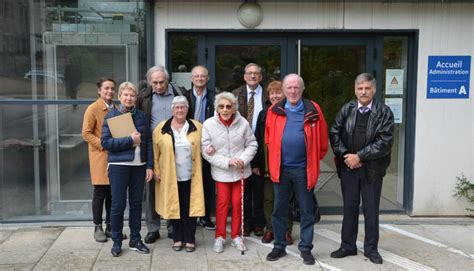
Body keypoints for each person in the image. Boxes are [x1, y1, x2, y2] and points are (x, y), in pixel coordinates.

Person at [329, 73, 394, 265]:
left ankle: (371, 249)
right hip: (349, 167)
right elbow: (334, 133)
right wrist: (346, 156)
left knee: (371, 209)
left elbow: (385, 142)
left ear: (374, 90)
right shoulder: (347, 109)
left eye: (367, 88)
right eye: (360, 88)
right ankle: (347, 245)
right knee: (349, 207)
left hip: (372, 169)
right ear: (355, 90)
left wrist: (360, 156)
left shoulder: (384, 112)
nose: (363, 92)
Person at [265, 74, 328, 265]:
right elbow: (268, 138)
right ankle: (279, 246)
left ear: (302, 89)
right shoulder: (274, 110)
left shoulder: (313, 109)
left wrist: (312, 161)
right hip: (281, 169)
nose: (292, 91)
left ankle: (306, 249)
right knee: (278, 210)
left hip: (303, 170)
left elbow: (323, 141)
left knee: (307, 210)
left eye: (296, 88)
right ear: (283, 90)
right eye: (289, 88)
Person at [101, 82, 154, 257]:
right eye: (125, 95)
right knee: (118, 205)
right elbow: (106, 143)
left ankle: (135, 239)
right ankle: (116, 241)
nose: (129, 98)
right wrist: (130, 140)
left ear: (135, 97)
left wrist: (149, 165)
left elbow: (147, 143)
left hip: (139, 166)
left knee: (137, 204)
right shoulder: (111, 116)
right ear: (119, 97)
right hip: (119, 166)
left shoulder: (141, 116)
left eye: (132, 95)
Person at [201, 92, 258, 253]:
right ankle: (219, 237)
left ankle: (236, 236)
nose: (225, 110)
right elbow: (206, 151)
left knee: (238, 202)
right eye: (221, 106)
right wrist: (227, 162)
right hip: (222, 172)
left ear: (234, 108)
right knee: (222, 204)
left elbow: (252, 144)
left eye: (228, 106)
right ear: (217, 108)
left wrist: (243, 159)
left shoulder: (243, 123)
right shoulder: (209, 124)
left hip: (241, 171)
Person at [136, 65, 187, 244]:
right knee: (151, 188)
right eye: (155, 83)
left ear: (168, 80)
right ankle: (153, 228)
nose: (158, 86)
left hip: (177, 146)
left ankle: (173, 226)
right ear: (150, 82)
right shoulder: (144, 97)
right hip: (152, 146)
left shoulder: (179, 93)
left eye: (162, 82)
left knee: (173, 186)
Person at [153, 96, 205, 253]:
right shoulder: (161, 128)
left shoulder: (197, 127)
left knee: (190, 207)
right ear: (172, 109)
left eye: (183, 107)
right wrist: (156, 170)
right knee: (174, 207)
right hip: (170, 175)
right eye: (176, 107)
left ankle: (190, 239)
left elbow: (206, 145)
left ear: (187, 109)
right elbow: (155, 152)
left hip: (191, 175)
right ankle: (177, 238)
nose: (180, 110)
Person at [253, 80, 293, 245]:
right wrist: (256, 163)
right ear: (268, 96)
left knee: (284, 198)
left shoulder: (290, 111)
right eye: (272, 93)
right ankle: (270, 228)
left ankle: (286, 230)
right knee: (269, 199)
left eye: (278, 92)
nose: (275, 96)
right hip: (268, 164)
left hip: (286, 164)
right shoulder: (263, 113)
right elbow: (257, 138)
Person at [232, 63, 267, 237]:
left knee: (259, 188)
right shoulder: (235, 94)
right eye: (250, 73)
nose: (253, 76)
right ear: (244, 76)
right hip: (241, 147)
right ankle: (245, 223)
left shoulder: (268, 94)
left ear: (260, 77)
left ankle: (259, 223)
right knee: (243, 188)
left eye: (256, 73)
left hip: (262, 147)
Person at [82, 78, 117, 242]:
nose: (110, 91)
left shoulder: (116, 108)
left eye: (112, 88)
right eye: (106, 88)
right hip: (100, 156)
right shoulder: (93, 108)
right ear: (99, 90)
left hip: (115, 156)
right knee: (100, 192)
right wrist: (103, 144)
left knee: (112, 193)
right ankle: (97, 226)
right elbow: (86, 133)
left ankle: (110, 226)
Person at [184, 65, 216, 230]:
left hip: (208, 144)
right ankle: (188, 216)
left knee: (207, 182)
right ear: (191, 78)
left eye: (203, 76)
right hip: (188, 143)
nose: (200, 78)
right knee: (188, 180)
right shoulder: (185, 96)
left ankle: (205, 216)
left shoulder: (214, 97)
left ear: (208, 78)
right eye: (196, 76)